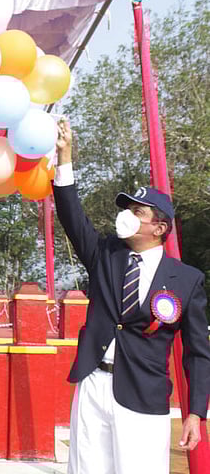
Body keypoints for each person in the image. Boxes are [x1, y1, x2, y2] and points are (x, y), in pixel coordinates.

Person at [52, 119, 210, 474]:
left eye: (137, 211)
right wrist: (64, 157)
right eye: (126, 208)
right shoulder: (105, 254)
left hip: (143, 393)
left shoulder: (186, 279)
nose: (127, 216)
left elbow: (198, 353)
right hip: (93, 384)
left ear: (159, 227)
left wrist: (196, 413)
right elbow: (72, 217)